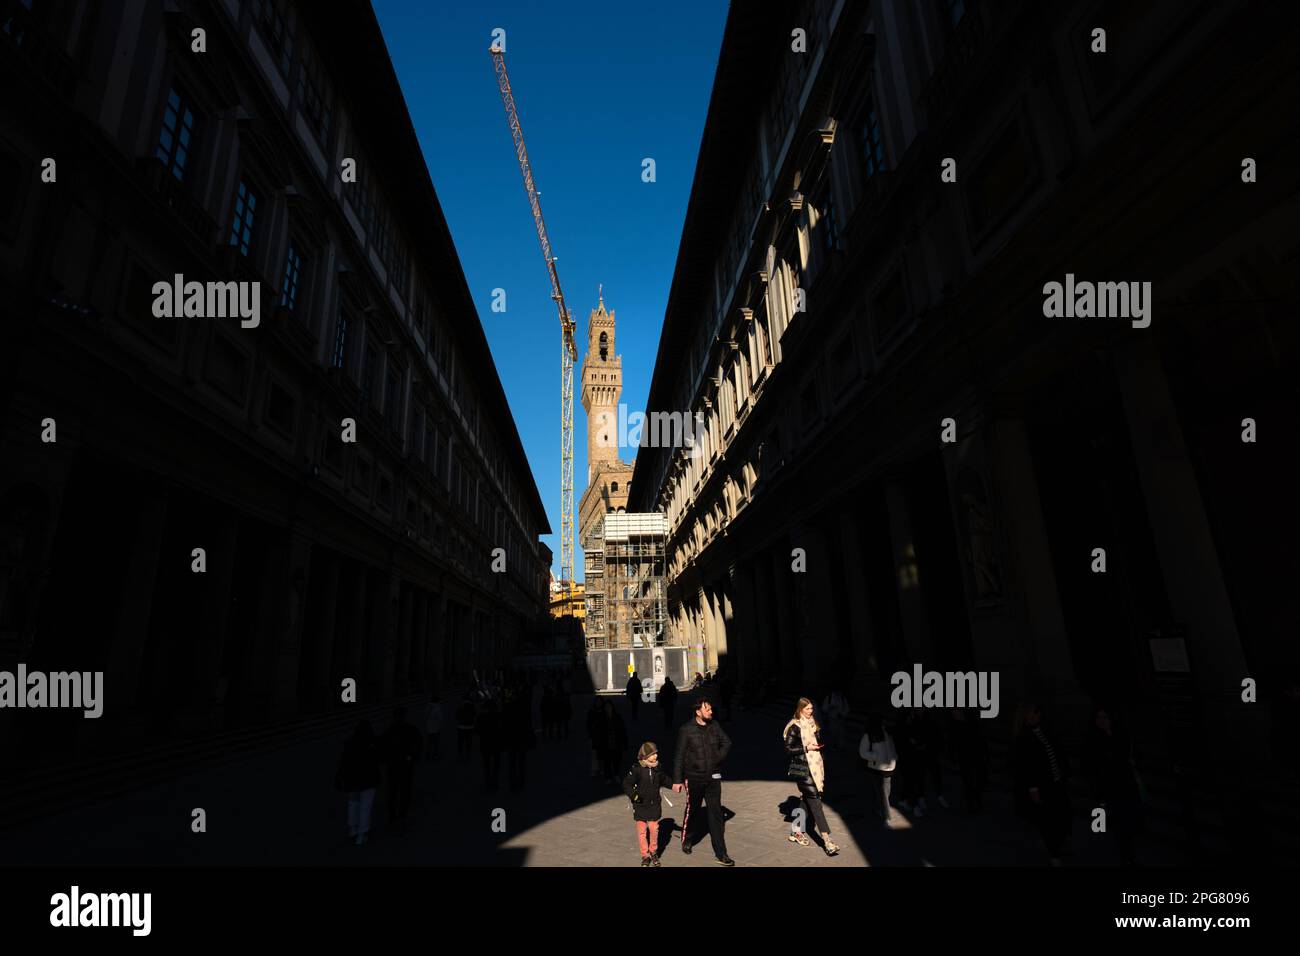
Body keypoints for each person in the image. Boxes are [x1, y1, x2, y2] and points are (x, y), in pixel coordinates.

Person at [673, 694, 734, 865]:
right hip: (694, 777)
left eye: (711, 708)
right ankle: (687, 839)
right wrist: (677, 780)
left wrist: (717, 758)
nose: (711, 711)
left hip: (713, 777)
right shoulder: (686, 730)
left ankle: (721, 853)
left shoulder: (714, 726)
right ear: (698, 712)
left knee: (715, 815)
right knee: (693, 810)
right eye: (707, 709)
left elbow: (727, 743)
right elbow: (678, 756)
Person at [1013, 701, 1072, 865]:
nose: (1037, 715)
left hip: (1057, 781)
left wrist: (1064, 771)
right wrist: (1033, 788)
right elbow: (1025, 765)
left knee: (1061, 815)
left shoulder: (1046, 729)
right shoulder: (1024, 737)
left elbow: (1057, 751)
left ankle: (1059, 844)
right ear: (1027, 715)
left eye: (1038, 712)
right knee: (1048, 820)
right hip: (1042, 785)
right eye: (1033, 712)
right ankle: (1054, 852)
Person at [1083, 704, 1142, 865]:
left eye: (1104, 717)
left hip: (1127, 784)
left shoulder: (1120, 735)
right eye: (1098, 718)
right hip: (1110, 788)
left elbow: (1127, 759)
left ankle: (1127, 851)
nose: (1101, 721)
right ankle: (1126, 855)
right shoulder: (1094, 741)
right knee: (1119, 824)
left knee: (1129, 820)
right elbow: (1094, 769)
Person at [784, 697, 840, 855]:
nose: (811, 711)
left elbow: (818, 741)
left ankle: (796, 831)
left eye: (811, 709)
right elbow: (788, 749)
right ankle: (827, 841)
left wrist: (817, 748)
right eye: (807, 709)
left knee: (807, 800)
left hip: (815, 767)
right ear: (800, 709)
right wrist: (806, 748)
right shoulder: (794, 726)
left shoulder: (812, 723)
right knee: (815, 802)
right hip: (802, 769)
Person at [622, 741, 681, 866]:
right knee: (642, 831)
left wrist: (673, 786)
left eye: (656, 753)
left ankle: (653, 851)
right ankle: (645, 855)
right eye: (652, 754)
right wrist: (634, 797)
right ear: (644, 756)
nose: (655, 756)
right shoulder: (636, 769)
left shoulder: (658, 767)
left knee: (654, 829)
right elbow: (627, 784)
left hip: (654, 804)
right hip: (640, 805)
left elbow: (664, 779)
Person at [335, 720, 381, 846]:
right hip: (368, 779)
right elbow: (378, 759)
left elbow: (343, 762)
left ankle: (353, 829)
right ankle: (362, 833)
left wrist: (341, 776)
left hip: (352, 779)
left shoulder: (349, 743)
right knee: (365, 806)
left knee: (353, 804)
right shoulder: (372, 743)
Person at [381, 707, 422, 832]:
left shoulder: (389, 730)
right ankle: (402, 815)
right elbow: (419, 744)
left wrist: (386, 760)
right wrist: (413, 758)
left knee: (393, 791)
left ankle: (393, 816)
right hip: (406, 766)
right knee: (405, 791)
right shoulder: (411, 729)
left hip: (392, 766)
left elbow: (382, 748)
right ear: (404, 716)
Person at [859, 713, 897, 826]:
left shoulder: (887, 732)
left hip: (889, 767)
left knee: (885, 792)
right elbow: (863, 752)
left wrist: (894, 757)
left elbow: (892, 747)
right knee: (883, 793)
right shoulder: (869, 735)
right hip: (877, 768)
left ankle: (879, 809)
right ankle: (886, 817)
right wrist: (875, 757)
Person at [949, 706, 988, 812]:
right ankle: (971, 804)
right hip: (964, 758)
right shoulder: (955, 725)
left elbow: (980, 739)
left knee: (976, 780)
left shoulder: (971, 723)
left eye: (955, 712)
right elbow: (953, 742)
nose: (953, 714)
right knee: (967, 781)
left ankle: (977, 801)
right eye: (952, 712)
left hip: (975, 756)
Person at [505, 685, 536, 791]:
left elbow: (504, 723)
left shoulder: (508, 707)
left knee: (512, 762)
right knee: (521, 761)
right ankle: (521, 781)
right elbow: (528, 723)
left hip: (511, 738)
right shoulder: (524, 707)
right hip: (522, 738)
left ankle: (513, 782)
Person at [597, 699, 628, 783]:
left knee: (616, 760)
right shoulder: (601, 718)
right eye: (606, 707)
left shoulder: (617, 717)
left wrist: (625, 743)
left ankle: (616, 774)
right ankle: (608, 777)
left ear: (612, 707)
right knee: (607, 761)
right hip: (605, 743)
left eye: (609, 707)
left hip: (616, 742)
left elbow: (622, 731)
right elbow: (598, 732)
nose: (608, 708)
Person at [477, 699, 503, 792]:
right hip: (496, 744)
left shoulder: (481, 717)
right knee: (496, 764)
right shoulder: (499, 716)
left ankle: (487, 781)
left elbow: (477, 730)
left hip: (485, 743)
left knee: (486, 764)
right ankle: (494, 781)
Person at [456, 697, 477, 762]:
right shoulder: (472, 706)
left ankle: (461, 755)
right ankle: (468, 754)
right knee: (469, 741)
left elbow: (457, 715)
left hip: (461, 726)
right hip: (470, 726)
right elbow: (474, 715)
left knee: (460, 742)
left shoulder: (460, 706)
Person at [424, 695, 442, 761]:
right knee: (436, 743)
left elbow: (425, 716)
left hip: (428, 727)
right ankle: (435, 755)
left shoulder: (428, 707)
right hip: (436, 728)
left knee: (429, 742)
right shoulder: (437, 709)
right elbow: (440, 719)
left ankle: (428, 755)